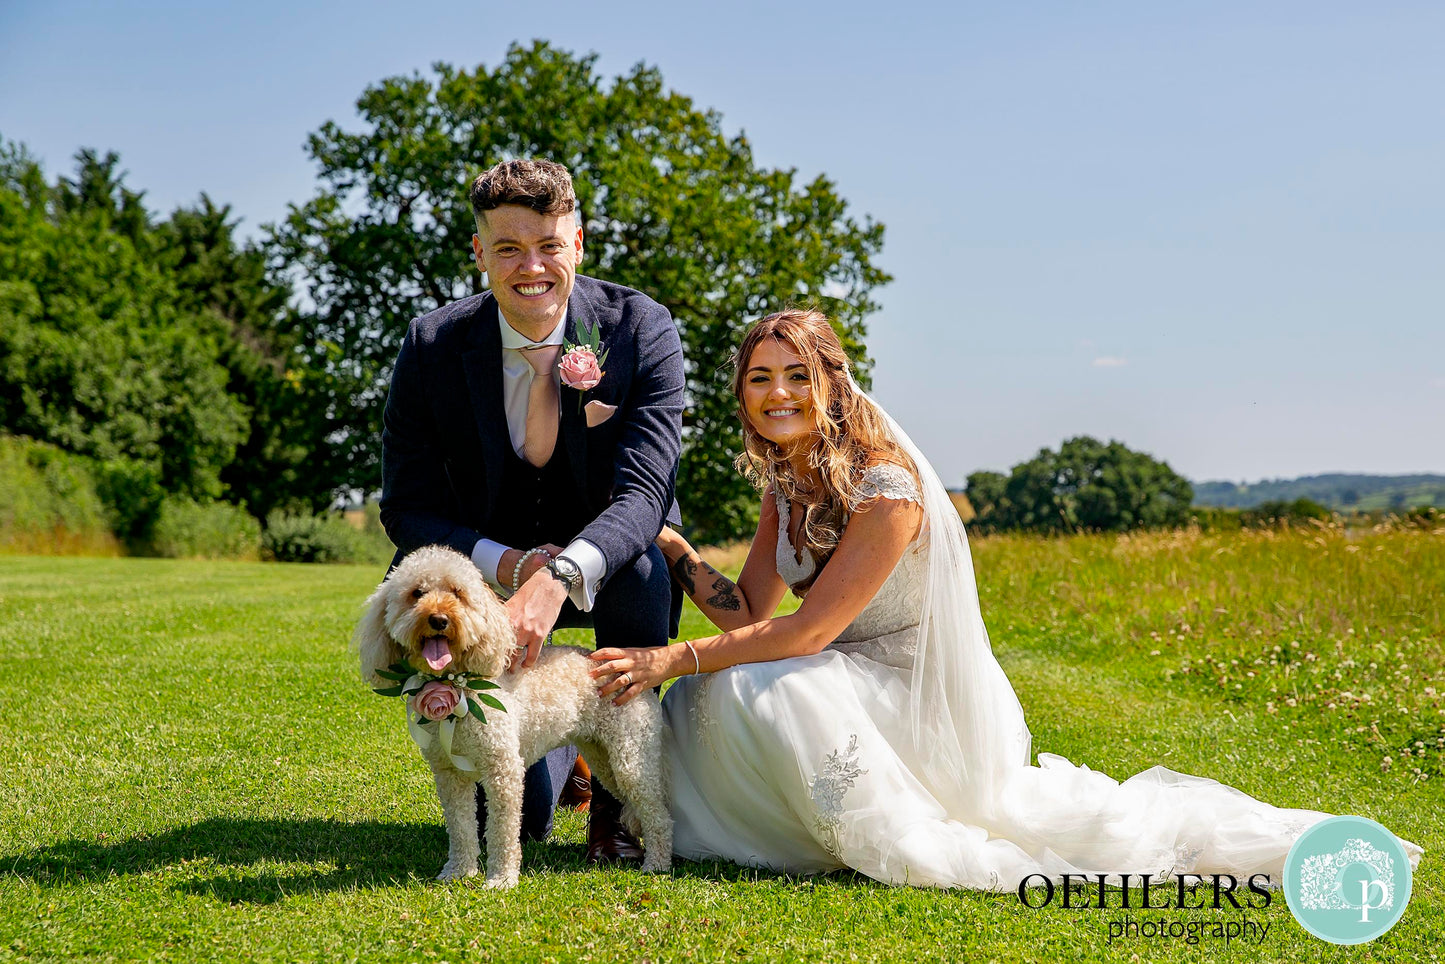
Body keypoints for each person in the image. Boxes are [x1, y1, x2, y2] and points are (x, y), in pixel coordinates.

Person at [587, 309, 1423, 889]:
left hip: (914, 694)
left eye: (796, 377)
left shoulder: (888, 488)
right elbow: (749, 614)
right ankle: (748, 830)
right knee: (721, 685)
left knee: (765, 683)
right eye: (759, 379)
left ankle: (835, 833)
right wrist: (675, 549)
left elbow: (806, 632)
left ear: (834, 383)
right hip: (834, 673)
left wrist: (668, 655)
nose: (776, 395)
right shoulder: (786, 477)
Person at [379, 158, 684, 863]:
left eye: (549, 245)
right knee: (521, 823)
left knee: (641, 570)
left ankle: (613, 809)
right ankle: (542, 758)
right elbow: (409, 507)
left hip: (607, 557)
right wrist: (507, 565)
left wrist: (556, 578)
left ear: (578, 244)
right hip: (486, 562)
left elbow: (644, 495)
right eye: (509, 248)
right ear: (479, 253)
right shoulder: (430, 347)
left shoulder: (641, 329)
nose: (532, 267)